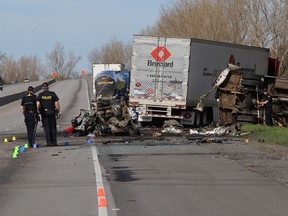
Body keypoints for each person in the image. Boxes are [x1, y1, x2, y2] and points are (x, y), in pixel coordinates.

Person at [37, 82, 60, 146]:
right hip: (52, 112)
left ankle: (49, 143)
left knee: (47, 128)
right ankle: (54, 142)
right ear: (48, 87)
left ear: (42, 88)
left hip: (44, 113)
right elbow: (57, 104)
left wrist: (38, 111)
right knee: (53, 128)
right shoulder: (52, 94)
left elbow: (38, 104)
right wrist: (58, 112)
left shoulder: (40, 95)